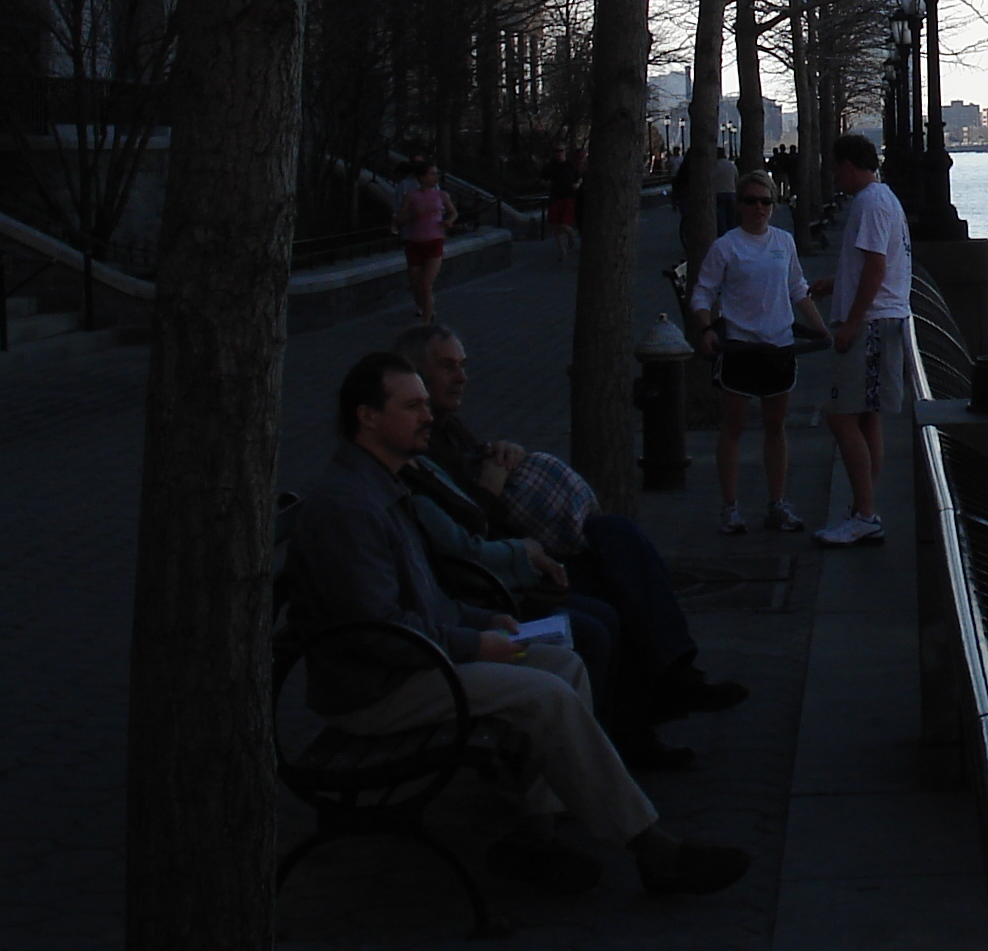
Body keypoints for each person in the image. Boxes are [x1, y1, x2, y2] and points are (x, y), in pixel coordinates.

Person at [284, 352, 749, 898]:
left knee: (565, 662)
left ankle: (537, 835)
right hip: (376, 689)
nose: (428, 417)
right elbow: (376, 631)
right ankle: (651, 848)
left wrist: (488, 620)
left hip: (408, 661)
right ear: (367, 417)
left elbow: (423, 599)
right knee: (544, 694)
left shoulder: (383, 485)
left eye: (426, 405)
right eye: (412, 406)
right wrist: (477, 643)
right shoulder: (351, 507)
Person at [394, 322, 747, 724]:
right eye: (447, 367)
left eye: (463, 365)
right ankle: (644, 711)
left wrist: (503, 451)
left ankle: (677, 672)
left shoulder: (445, 425)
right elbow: (467, 529)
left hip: (523, 550)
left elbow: (478, 467)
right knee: (614, 597)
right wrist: (492, 492)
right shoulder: (415, 449)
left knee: (616, 533)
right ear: (414, 378)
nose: (462, 377)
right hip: (503, 570)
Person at [690, 171, 826, 535]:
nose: (759, 208)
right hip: (739, 347)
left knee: (775, 427)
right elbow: (703, 292)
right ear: (739, 205)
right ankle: (731, 507)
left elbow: (798, 289)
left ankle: (777, 503)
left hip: (779, 346)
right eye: (751, 201)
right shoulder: (726, 247)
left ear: (774, 205)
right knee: (733, 427)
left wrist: (821, 328)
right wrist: (706, 328)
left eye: (766, 202)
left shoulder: (783, 242)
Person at [808, 133, 912, 548]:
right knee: (868, 416)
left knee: (841, 415)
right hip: (885, 318)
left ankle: (867, 514)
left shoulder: (869, 203)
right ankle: (863, 506)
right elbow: (878, 265)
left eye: (836, 168)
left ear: (849, 165)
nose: (835, 177)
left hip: (871, 324)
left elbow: (874, 267)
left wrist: (850, 323)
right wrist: (837, 283)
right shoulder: (886, 200)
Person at [390, 161, 457, 322]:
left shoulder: (442, 195)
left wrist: (449, 221)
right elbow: (400, 216)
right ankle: (426, 308)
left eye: (436, 174)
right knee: (416, 284)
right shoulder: (411, 196)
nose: (436, 177)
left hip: (434, 240)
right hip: (415, 242)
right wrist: (397, 224)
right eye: (432, 174)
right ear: (421, 177)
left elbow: (453, 212)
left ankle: (426, 323)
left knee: (426, 284)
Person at [540, 144, 583, 263]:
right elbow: (542, 179)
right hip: (555, 197)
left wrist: (577, 185)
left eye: (561, 151)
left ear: (565, 152)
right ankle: (562, 250)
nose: (558, 153)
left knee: (564, 223)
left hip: (568, 197)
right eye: (556, 151)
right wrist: (546, 183)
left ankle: (571, 234)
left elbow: (579, 178)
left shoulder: (570, 166)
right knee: (555, 225)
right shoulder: (549, 167)